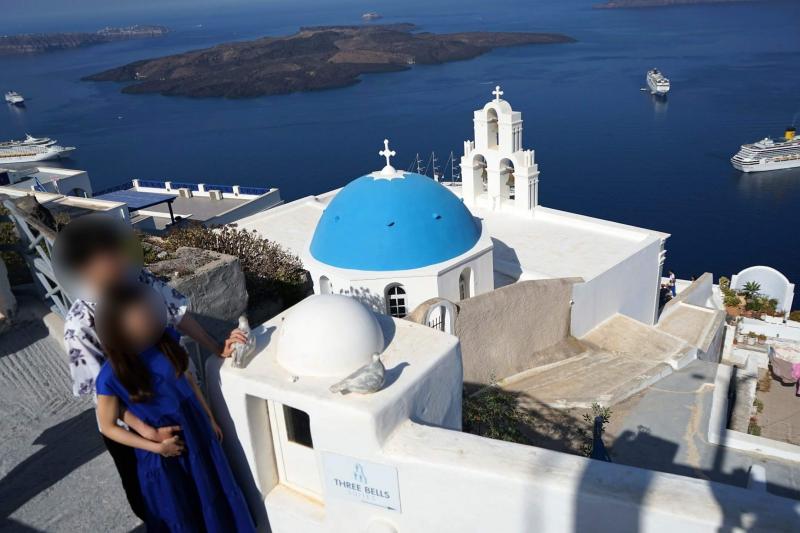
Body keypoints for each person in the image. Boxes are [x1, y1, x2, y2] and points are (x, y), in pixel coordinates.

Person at [56, 214, 247, 521]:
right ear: (84, 269)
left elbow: (176, 314)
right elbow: (101, 395)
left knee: (202, 483)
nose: (118, 261)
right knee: (156, 498)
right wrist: (148, 434)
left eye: (116, 251)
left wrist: (215, 347)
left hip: (175, 406)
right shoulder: (79, 324)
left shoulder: (139, 281)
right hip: (135, 425)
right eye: (107, 257)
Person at [94, 283, 254, 532]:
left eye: (149, 313)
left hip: (196, 429)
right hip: (166, 446)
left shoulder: (166, 341)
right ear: (118, 328)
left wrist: (209, 418)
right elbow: (107, 426)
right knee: (182, 508)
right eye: (141, 318)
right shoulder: (109, 376)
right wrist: (156, 445)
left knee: (214, 492)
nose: (149, 320)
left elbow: (188, 380)